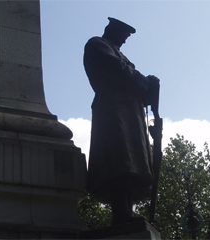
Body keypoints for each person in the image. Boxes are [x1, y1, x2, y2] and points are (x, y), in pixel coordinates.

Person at [83, 17, 160, 225]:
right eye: (123, 36)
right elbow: (117, 70)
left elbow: (134, 86)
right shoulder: (97, 44)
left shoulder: (120, 53)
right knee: (118, 160)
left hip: (130, 114)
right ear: (112, 30)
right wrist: (145, 82)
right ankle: (120, 211)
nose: (124, 41)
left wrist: (150, 88)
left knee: (133, 163)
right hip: (112, 110)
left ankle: (128, 210)